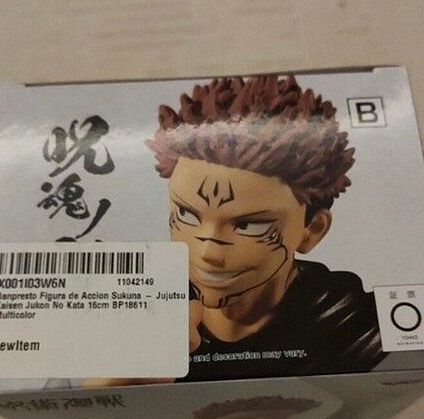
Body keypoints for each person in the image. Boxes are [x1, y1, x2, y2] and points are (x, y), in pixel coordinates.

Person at [146, 75, 387, 382]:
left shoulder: (354, 326)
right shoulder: (147, 310)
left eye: (247, 225)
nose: (207, 253)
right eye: (186, 215)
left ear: (312, 230)